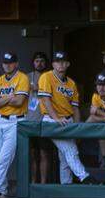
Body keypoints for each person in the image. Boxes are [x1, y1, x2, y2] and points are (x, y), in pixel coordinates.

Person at [37, 51, 96, 185]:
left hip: (67, 120)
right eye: (58, 61)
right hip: (52, 120)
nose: (60, 64)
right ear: (53, 64)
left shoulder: (71, 83)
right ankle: (85, 177)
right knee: (71, 150)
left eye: (63, 61)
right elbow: (46, 100)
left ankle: (66, 186)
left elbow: (75, 108)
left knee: (64, 158)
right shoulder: (46, 77)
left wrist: (77, 126)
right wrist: (56, 118)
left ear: (68, 64)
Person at [0, 52, 29, 198]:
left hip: (16, 121)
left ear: (16, 64)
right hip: (0, 121)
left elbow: (19, 102)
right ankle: (2, 193)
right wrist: (10, 97)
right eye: (5, 63)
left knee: (5, 157)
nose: (7, 65)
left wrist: (3, 100)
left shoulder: (22, 78)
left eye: (10, 62)